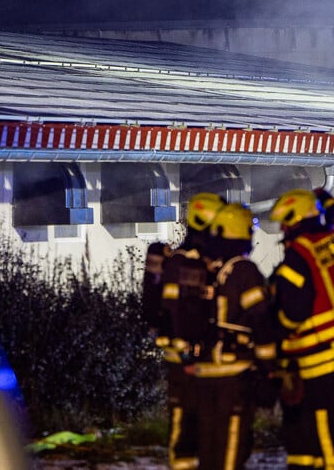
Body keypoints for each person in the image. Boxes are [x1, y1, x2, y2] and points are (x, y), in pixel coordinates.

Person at [268, 187, 334, 470]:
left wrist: (279, 332)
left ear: (296, 219)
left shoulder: (297, 257)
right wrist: (322, 194)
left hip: (321, 362)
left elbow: (292, 313)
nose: (282, 229)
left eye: (285, 222)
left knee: (326, 434)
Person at [185, 201, 279, 470]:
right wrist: (270, 370)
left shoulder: (206, 271)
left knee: (209, 450)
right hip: (233, 377)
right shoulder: (244, 271)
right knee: (232, 448)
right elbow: (261, 321)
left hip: (204, 375)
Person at [142, 192, 225, 470]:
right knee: (186, 427)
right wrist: (189, 352)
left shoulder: (198, 260)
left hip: (197, 359)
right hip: (186, 361)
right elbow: (181, 311)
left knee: (203, 426)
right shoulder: (186, 264)